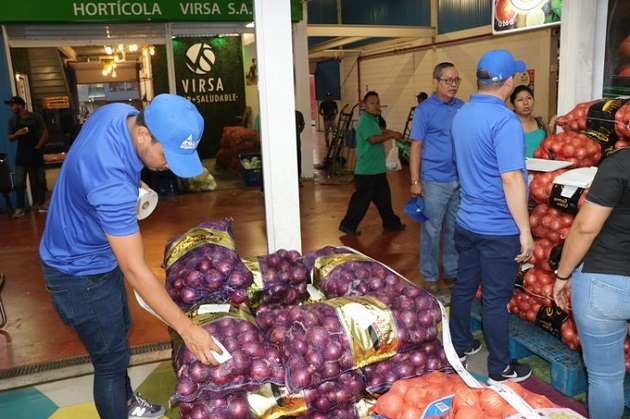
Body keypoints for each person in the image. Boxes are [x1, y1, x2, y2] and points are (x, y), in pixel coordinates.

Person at [39, 94, 223, 419]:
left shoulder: (119, 114)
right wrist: (188, 330)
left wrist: (133, 179)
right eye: (167, 155)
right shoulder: (110, 183)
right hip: (78, 272)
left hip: (97, 251)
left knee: (118, 331)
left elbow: (103, 166)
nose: (169, 166)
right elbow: (135, 271)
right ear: (143, 135)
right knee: (110, 362)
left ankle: (127, 404)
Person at [449, 49, 534, 385]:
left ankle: (459, 344)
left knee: (464, 287)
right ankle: (500, 367)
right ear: (509, 83)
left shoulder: (463, 114)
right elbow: (511, 178)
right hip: (498, 228)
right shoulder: (505, 121)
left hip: (467, 221)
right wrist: (524, 231)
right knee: (496, 301)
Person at [553, 145, 630, 419]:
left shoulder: (621, 163)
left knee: (605, 377)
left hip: (604, 282)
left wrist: (562, 275)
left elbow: (586, 227)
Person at [409, 63, 465, 294]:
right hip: (433, 181)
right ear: (435, 82)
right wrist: (415, 181)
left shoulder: (462, 108)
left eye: (456, 80)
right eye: (448, 80)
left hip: (459, 180)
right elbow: (416, 145)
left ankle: (452, 272)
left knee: (454, 229)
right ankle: (430, 275)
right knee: (431, 230)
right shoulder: (424, 110)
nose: (453, 85)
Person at [339, 91, 405, 236]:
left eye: (377, 102)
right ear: (364, 105)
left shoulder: (373, 119)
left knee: (384, 199)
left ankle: (391, 223)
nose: (375, 106)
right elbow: (373, 139)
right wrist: (391, 135)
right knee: (361, 202)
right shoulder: (364, 120)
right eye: (372, 103)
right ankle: (347, 225)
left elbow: (379, 131)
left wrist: (391, 131)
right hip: (366, 171)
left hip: (377, 169)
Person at [5, 96, 49, 218]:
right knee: (20, 182)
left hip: (35, 153)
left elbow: (45, 133)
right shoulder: (12, 120)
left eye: (12, 105)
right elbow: (10, 138)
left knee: (40, 179)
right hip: (22, 155)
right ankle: (20, 208)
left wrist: (37, 147)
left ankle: (41, 203)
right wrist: (16, 134)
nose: (11, 108)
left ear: (20, 105)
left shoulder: (35, 117)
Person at [509, 85, 549, 158]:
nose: (526, 103)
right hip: (516, 169)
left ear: (534, 100)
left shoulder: (541, 124)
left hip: (539, 168)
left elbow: (549, 149)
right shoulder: (507, 125)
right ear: (512, 104)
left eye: (529, 98)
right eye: (520, 100)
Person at [295, 109, 305, 185]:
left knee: (298, 161)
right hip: (286, 146)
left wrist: (298, 131)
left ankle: (298, 178)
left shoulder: (298, 114)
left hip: (297, 143)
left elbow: (302, 124)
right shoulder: (283, 114)